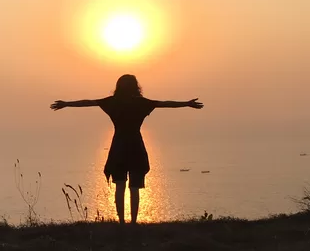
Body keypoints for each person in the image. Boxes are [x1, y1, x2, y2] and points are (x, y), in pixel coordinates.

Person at [50, 74, 203, 224]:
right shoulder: (141, 103)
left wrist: (67, 103)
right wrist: (187, 103)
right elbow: (166, 103)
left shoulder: (112, 102)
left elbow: (88, 102)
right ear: (136, 87)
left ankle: (122, 222)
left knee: (120, 186)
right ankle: (134, 221)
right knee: (135, 187)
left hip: (118, 146)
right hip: (136, 146)